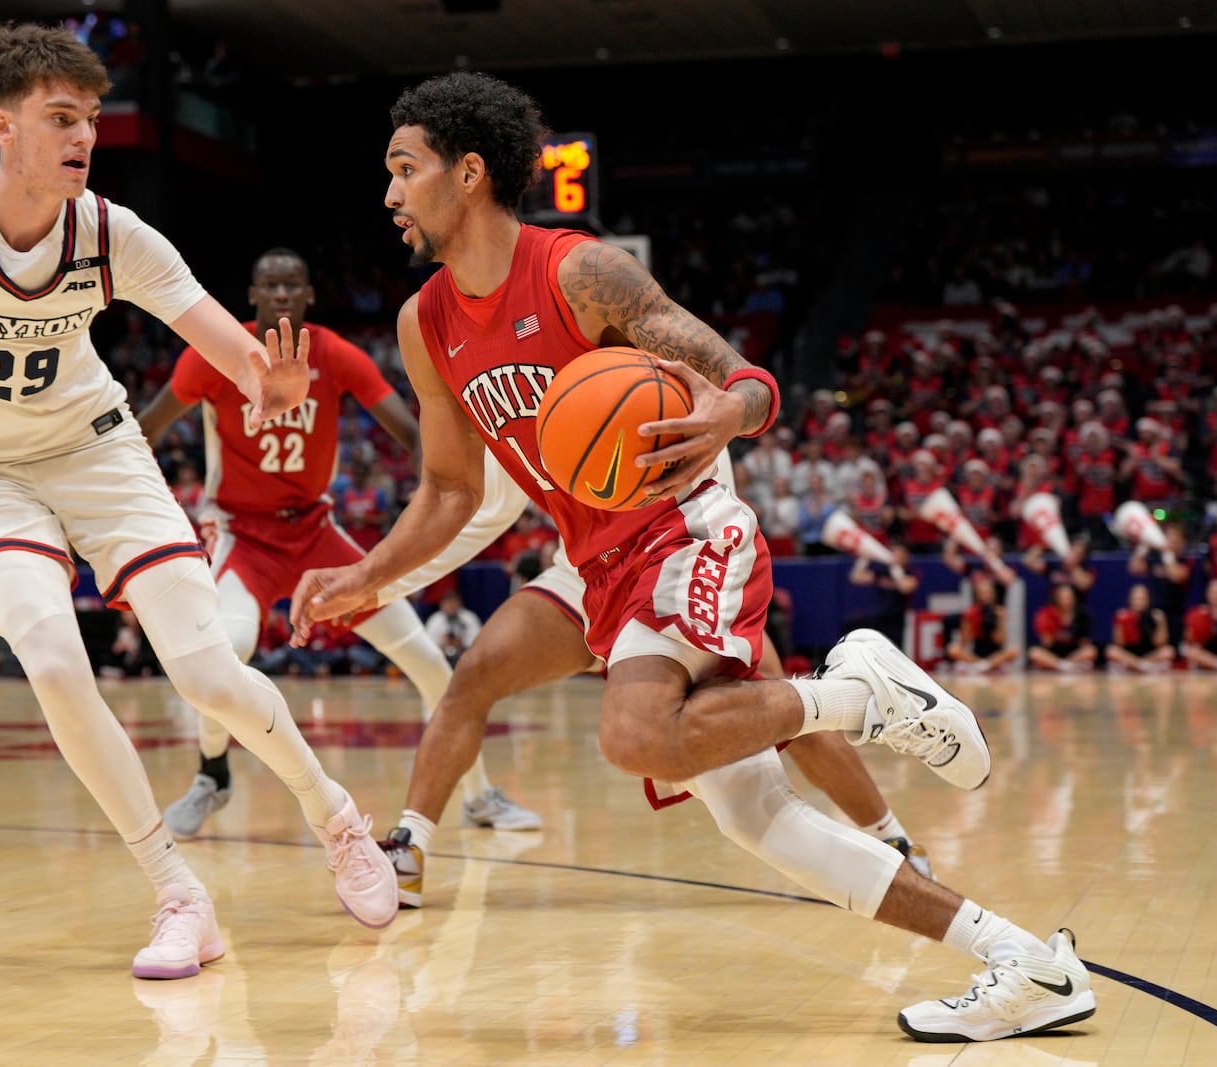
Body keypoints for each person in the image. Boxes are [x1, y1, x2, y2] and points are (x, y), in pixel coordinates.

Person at [291, 72, 1093, 1042]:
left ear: (467, 174)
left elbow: (743, 378)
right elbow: (452, 491)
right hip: (600, 565)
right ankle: (1027, 964)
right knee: (756, 818)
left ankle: (862, 698)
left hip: (684, 520)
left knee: (636, 732)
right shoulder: (425, 324)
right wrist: (364, 574)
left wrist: (729, 408)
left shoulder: (575, 270)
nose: (389, 193)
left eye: (403, 168)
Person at [0, 22, 397, 981]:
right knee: (50, 656)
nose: (83, 136)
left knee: (208, 673)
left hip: (96, 452)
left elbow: (236, 351)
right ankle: (179, 895)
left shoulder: (111, 232)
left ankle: (337, 818)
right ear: (0, 127)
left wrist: (273, 386)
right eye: (60, 118)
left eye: (89, 118)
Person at [359, 450, 940, 910]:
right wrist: (376, 582)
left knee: (776, 703)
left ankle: (894, 840)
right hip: (588, 577)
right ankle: (410, 847)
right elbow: (480, 508)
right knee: (474, 675)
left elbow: (734, 408)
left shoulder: (646, 343)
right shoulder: (515, 384)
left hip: (678, 559)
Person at [137, 247, 539, 839]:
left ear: (308, 297)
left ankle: (480, 796)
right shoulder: (216, 354)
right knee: (228, 650)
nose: (280, 295)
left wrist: (434, 492)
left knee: (430, 665)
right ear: (252, 297)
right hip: (242, 533)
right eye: (269, 285)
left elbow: (410, 434)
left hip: (316, 533)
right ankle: (211, 775)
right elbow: (146, 426)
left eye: (291, 285)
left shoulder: (336, 355)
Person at [945, 570, 1019, 674]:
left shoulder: (999, 612)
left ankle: (985, 665)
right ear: (977, 595)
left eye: (988, 593)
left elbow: (1000, 641)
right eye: (982, 593)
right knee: (952, 649)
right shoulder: (971, 612)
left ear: (993, 594)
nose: (985, 596)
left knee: (1013, 650)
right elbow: (965, 642)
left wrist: (1000, 620)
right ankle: (982, 665)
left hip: (995, 656)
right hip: (975, 656)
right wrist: (969, 622)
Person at [1105, 584, 1175, 673]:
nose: (1138, 602)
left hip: (1150, 656)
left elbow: (1161, 643)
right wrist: (1120, 623)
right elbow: (1119, 643)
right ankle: (1142, 666)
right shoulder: (1123, 616)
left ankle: (1139, 666)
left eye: (1142, 599)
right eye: (1136, 599)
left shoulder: (1155, 616)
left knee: (1168, 651)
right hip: (1130, 656)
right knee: (1111, 650)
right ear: (1130, 600)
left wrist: (1160, 623)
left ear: (1148, 600)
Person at [1028, 584, 1098, 672]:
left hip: (1073, 653)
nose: (1066, 601)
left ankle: (1063, 666)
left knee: (1091, 651)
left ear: (1074, 598)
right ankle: (1065, 666)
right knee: (1034, 652)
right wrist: (1053, 623)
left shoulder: (1082, 615)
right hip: (1053, 653)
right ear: (1057, 599)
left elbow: (1084, 643)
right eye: (1063, 598)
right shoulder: (1046, 614)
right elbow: (1047, 643)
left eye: (1069, 598)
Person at [423, 589, 481, 666]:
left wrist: (462, 642)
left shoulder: (469, 618)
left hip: (465, 657)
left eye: (453, 602)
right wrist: (442, 643)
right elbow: (427, 644)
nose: (451, 606)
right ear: (441, 605)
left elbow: (478, 641)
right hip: (441, 658)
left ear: (459, 603)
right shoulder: (435, 620)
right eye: (448, 603)